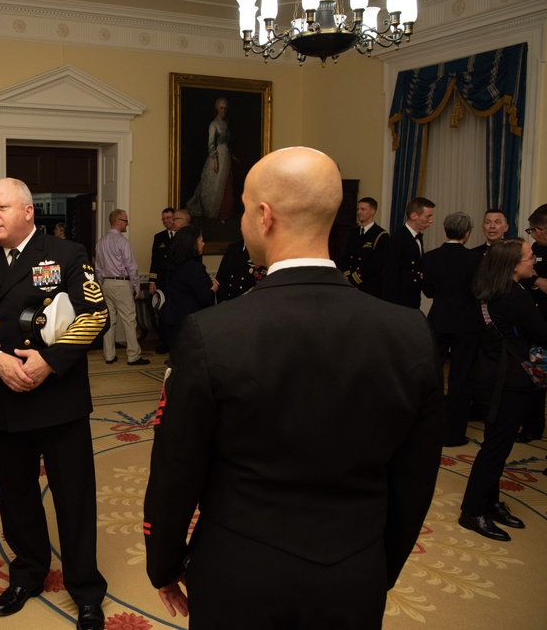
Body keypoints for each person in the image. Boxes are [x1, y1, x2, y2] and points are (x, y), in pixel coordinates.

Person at [143, 147, 442, 629]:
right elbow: (416, 478)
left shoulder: (211, 334)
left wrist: (163, 562)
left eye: (242, 208)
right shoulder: (411, 333)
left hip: (237, 569)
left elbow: (176, 470)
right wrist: (377, 568)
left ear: (264, 216)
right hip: (355, 568)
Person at [0, 178, 108, 630]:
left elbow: (96, 315)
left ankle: (86, 590)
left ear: (27, 212)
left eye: (1, 207)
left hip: (59, 400)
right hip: (5, 399)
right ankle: (28, 573)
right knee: (16, 496)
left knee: (73, 498)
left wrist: (49, 362)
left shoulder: (66, 254)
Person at [460, 238, 544, 541]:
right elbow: (541, 334)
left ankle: (490, 503)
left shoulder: (488, 289)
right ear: (513, 265)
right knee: (495, 450)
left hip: (488, 375)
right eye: (529, 257)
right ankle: (472, 512)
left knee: (495, 444)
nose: (533, 260)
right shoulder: (515, 296)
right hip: (506, 383)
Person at [422, 212, 482, 446]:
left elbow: (427, 291)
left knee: (432, 377)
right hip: (467, 324)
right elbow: (479, 292)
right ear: (467, 234)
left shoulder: (430, 257)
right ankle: (454, 435)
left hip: (437, 322)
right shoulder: (477, 259)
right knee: (461, 379)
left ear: (446, 231)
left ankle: (428, 429)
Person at [96, 209, 149, 366]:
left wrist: (102, 284)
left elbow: (98, 268)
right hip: (121, 284)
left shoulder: (101, 242)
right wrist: (137, 287)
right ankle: (133, 356)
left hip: (106, 284)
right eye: (125, 221)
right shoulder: (123, 242)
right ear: (118, 221)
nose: (127, 223)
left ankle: (109, 355)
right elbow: (131, 267)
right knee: (129, 320)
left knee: (110, 321)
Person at [159, 226, 216, 356]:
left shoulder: (171, 264)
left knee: (177, 360)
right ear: (193, 244)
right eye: (201, 240)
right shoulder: (194, 268)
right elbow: (205, 297)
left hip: (171, 319)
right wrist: (214, 287)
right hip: (189, 323)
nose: (203, 243)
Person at [519, 204, 547, 442]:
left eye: (533, 230)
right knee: (534, 379)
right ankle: (532, 427)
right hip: (534, 322)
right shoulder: (533, 250)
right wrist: (538, 281)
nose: (533, 234)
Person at [185, 97, 234, 221]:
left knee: (226, 185)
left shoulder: (225, 124)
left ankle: (224, 214)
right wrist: (215, 159)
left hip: (226, 156)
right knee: (213, 186)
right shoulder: (214, 124)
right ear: (217, 109)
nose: (224, 110)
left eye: (225, 108)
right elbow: (211, 144)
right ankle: (213, 213)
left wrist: (232, 156)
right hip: (217, 157)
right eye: (221, 108)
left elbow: (227, 142)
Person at [383, 196, 435, 308]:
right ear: (413, 216)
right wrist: (392, 306)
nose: (431, 220)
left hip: (413, 297)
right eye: (428, 216)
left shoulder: (417, 237)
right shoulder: (397, 240)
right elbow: (391, 275)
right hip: (400, 301)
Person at [344, 197, 388, 298]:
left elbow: (376, 264)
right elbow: (346, 256)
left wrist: (354, 280)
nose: (359, 212)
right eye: (358, 209)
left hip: (370, 287)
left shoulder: (381, 235)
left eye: (363, 209)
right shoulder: (353, 232)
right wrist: (347, 277)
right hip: (350, 286)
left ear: (372, 211)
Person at [148, 208, 176, 353]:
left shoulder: (182, 236)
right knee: (163, 313)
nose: (166, 221)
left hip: (177, 282)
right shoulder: (159, 237)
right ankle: (164, 343)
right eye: (164, 219)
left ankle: (175, 345)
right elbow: (155, 261)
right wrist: (152, 281)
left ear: (175, 218)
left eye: (169, 218)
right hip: (163, 282)